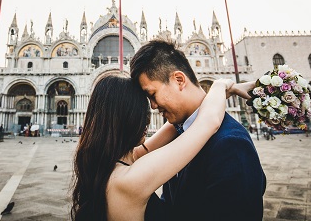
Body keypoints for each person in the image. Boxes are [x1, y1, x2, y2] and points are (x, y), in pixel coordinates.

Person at [71, 74, 246, 221]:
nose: (149, 118)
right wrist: (220, 85)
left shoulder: (114, 164)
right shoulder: (129, 181)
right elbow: (208, 122)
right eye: (143, 112)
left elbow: (181, 119)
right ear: (126, 118)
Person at [130, 39, 266, 220]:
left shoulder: (231, 145)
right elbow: (174, 205)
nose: (153, 106)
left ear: (179, 80)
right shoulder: (178, 130)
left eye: (152, 95)